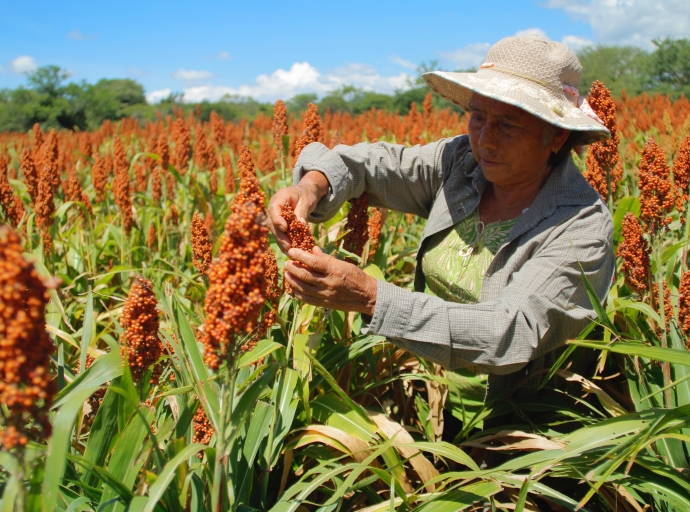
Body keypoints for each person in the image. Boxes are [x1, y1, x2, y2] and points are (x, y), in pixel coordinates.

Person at [267, 34, 615, 409]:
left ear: (557, 134)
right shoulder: (462, 164)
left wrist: (371, 296)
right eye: (478, 117)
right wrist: (310, 186)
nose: (486, 140)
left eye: (509, 125)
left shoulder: (581, 227)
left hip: (518, 430)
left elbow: (509, 333)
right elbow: (368, 163)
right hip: (428, 399)